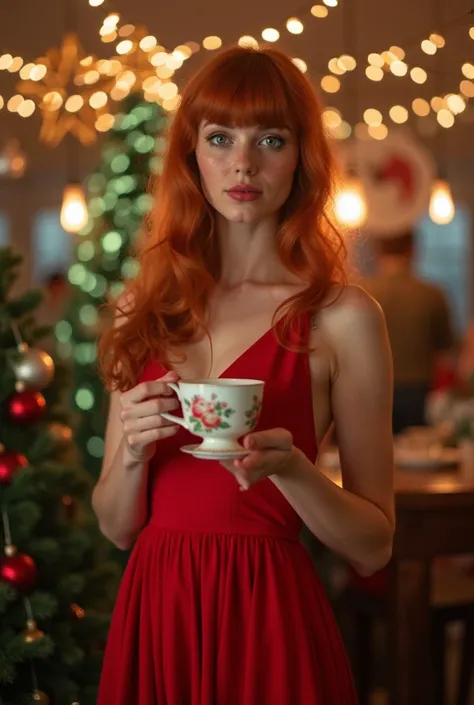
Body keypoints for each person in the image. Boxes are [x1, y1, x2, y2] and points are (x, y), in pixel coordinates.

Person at [93, 46, 394, 705]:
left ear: (302, 157)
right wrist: (136, 453)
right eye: (220, 137)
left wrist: (294, 471)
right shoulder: (141, 308)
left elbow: (374, 544)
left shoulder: (342, 317)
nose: (243, 163)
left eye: (272, 139)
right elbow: (116, 525)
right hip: (158, 610)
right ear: (191, 154)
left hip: (270, 619)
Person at [363, 231, 454, 434]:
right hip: (418, 391)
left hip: (369, 390)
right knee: (415, 454)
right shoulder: (431, 294)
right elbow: (446, 348)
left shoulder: (362, 293)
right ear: (413, 249)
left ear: (377, 250)